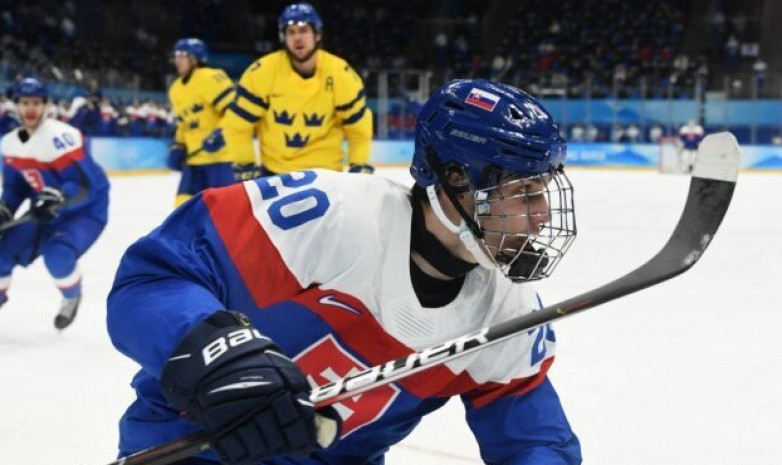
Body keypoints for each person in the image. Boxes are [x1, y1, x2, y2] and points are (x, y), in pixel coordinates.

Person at [107, 80, 581, 464]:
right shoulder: (329, 214)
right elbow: (156, 277)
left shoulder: (505, 314)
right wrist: (218, 356)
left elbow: (533, 441)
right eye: (525, 193)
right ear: (457, 177)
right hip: (195, 448)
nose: (541, 216)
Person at [202, 2, 374, 178]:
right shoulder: (262, 72)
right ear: (283, 37)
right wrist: (245, 164)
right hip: (275, 175)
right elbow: (238, 126)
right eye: (291, 32)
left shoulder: (341, 74)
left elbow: (358, 130)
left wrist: (359, 164)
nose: (297, 38)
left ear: (318, 35)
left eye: (303, 30)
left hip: (326, 177)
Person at [0, 77, 109, 329]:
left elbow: (85, 186)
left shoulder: (63, 137)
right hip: (46, 209)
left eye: (36, 103)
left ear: (46, 106)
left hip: (85, 210)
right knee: (2, 250)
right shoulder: (9, 144)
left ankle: (71, 297)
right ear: (16, 105)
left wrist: (59, 198)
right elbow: (16, 188)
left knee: (57, 254)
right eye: (25, 102)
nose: (30, 108)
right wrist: (5, 208)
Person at [168, 38, 237, 207]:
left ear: (195, 59)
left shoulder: (211, 78)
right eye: (176, 56)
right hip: (194, 163)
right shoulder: (175, 88)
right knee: (182, 211)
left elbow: (235, 111)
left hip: (221, 161)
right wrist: (178, 145)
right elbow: (183, 123)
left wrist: (221, 133)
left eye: (182, 56)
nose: (177, 60)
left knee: (224, 214)